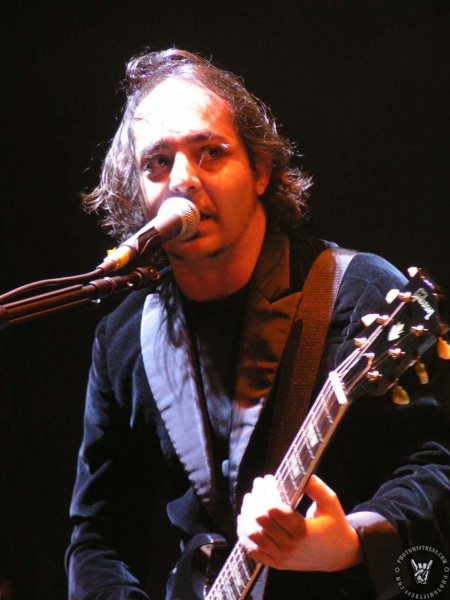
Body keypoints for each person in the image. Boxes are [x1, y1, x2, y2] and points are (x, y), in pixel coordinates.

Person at [66, 48, 450, 599]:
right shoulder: (125, 335)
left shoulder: (363, 295)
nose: (183, 180)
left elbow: (436, 466)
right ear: (138, 195)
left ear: (261, 170)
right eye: (158, 163)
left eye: (211, 153)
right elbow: (100, 537)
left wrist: (351, 542)